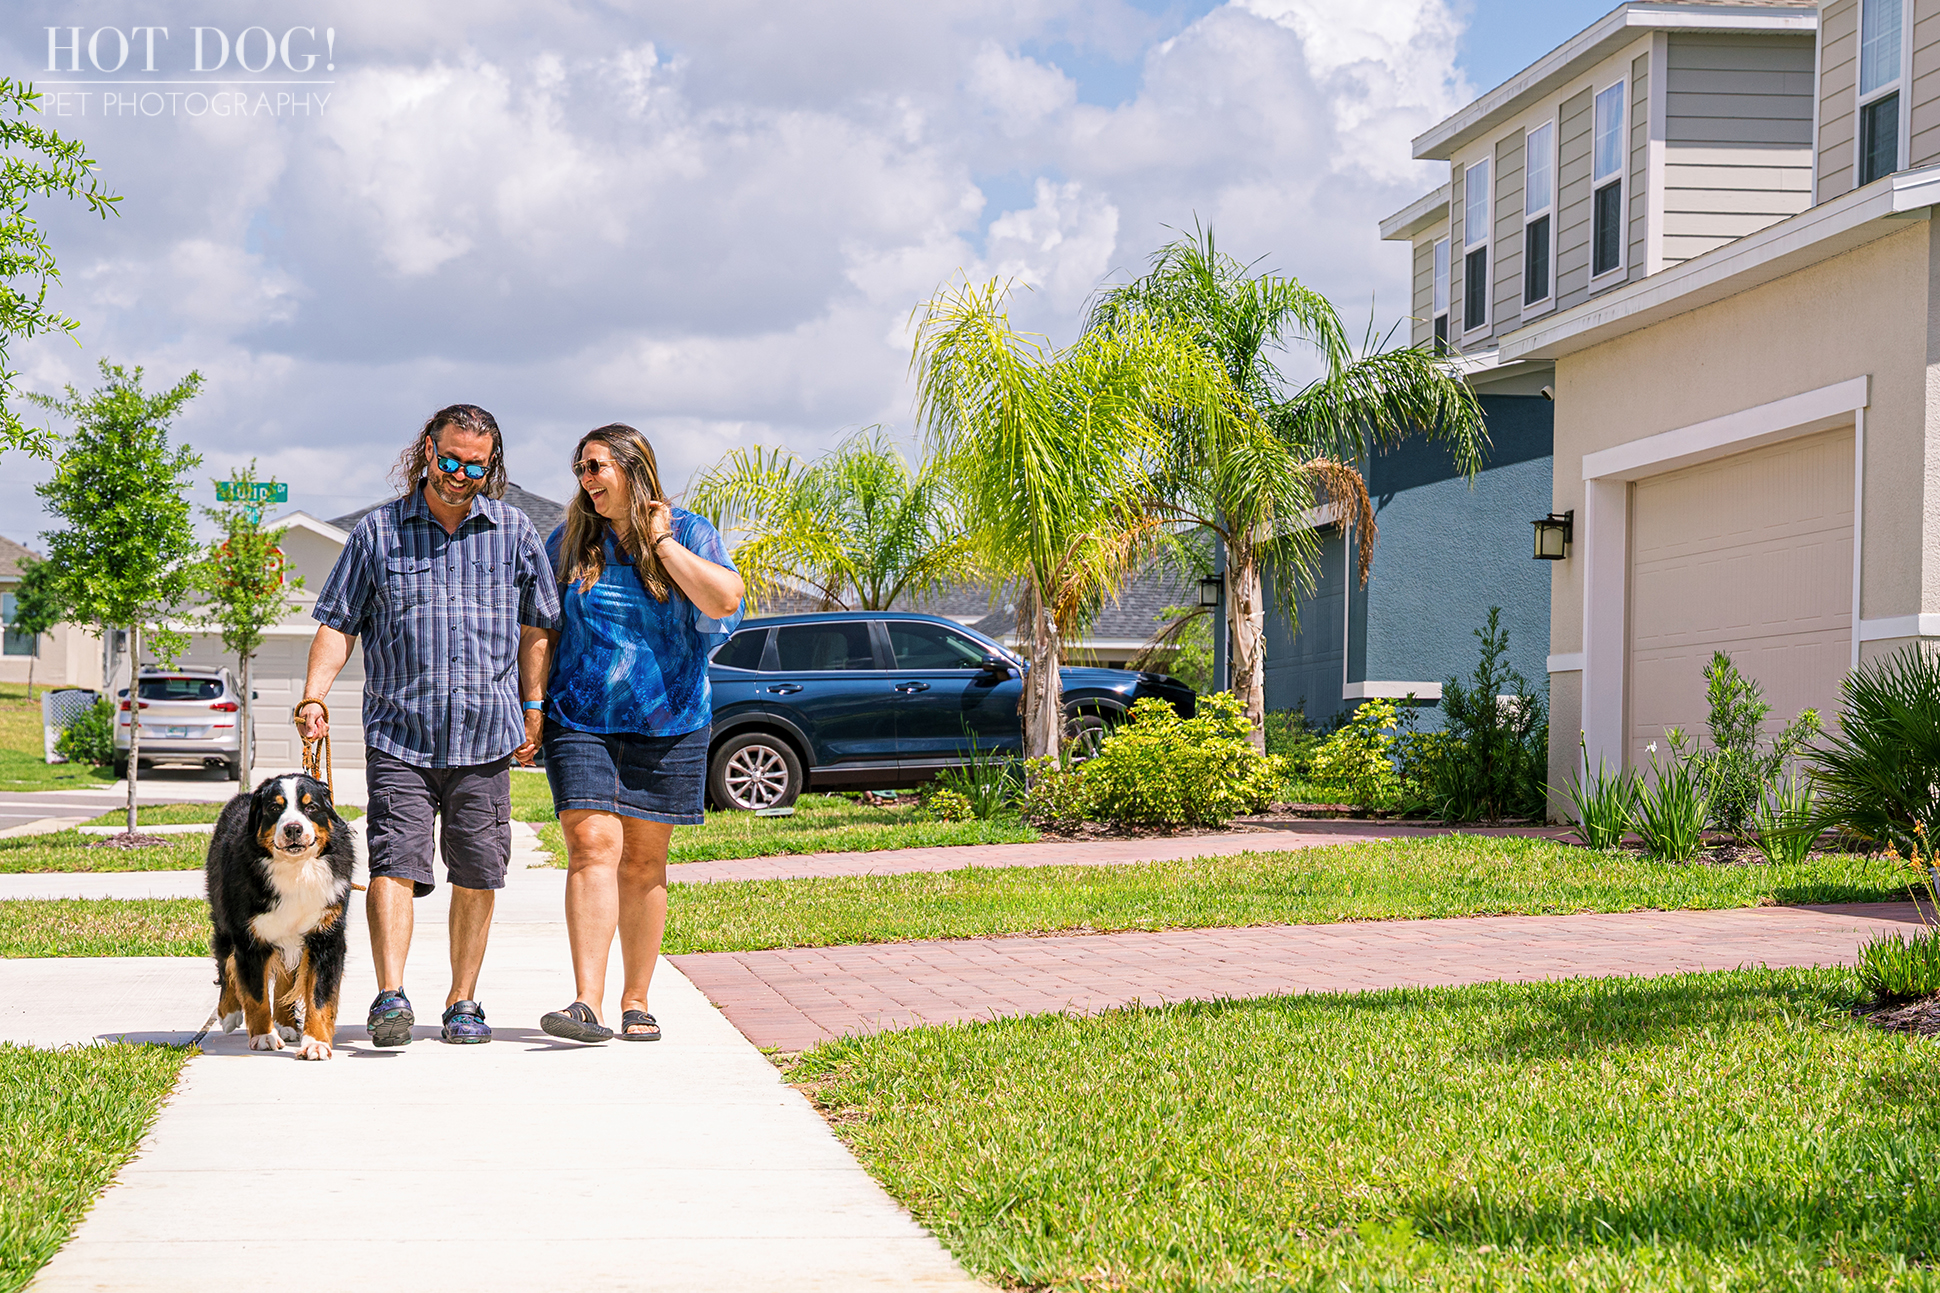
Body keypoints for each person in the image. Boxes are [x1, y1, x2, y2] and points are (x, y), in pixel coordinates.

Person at [296, 404, 562, 1047]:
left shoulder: (514, 531)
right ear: (426, 451)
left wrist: (534, 707)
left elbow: (537, 628)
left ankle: (463, 1001)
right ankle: (390, 996)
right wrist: (313, 697)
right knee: (393, 862)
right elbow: (338, 622)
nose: (460, 475)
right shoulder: (379, 532)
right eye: (449, 460)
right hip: (400, 735)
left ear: (491, 466)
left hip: (485, 737)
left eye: (476, 466)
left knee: (479, 870)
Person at [535, 423, 744, 1043]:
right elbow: (541, 628)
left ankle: (636, 1000)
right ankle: (586, 1003)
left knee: (646, 861)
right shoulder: (569, 539)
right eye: (580, 468)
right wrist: (533, 704)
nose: (585, 479)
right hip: (580, 718)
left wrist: (661, 543)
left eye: (596, 466)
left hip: (670, 720)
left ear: (632, 468)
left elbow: (725, 601)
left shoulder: (691, 532)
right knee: (591, 844)